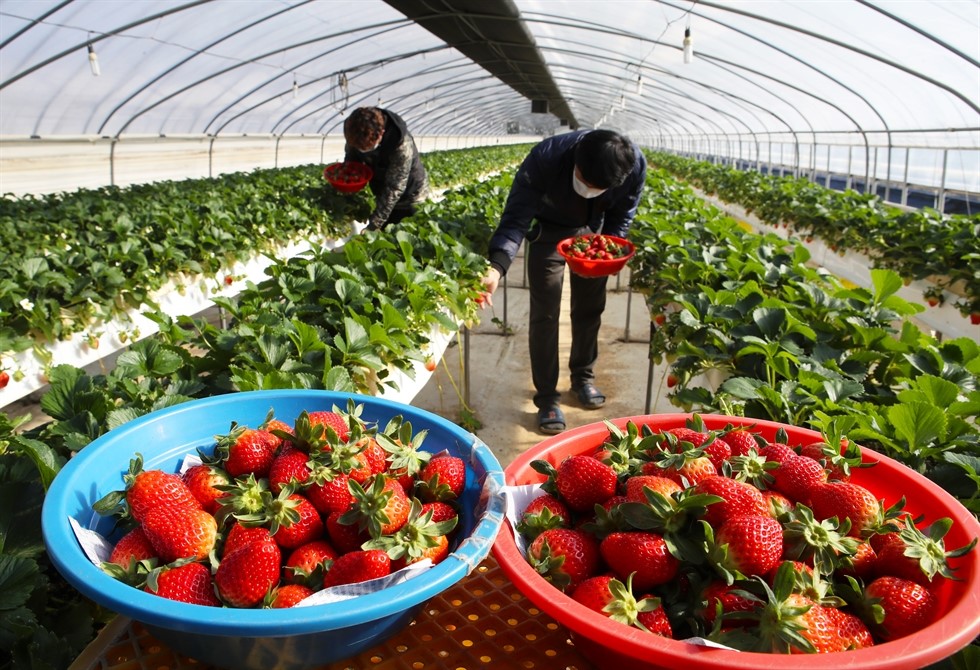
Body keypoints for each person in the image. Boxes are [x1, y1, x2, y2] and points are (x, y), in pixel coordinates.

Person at [479, 129, 646, 435]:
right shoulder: (547, 157)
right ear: (576, 159)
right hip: (548, 231)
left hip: (593, 236)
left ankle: (583, 378)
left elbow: (621, 216)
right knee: (545, 313)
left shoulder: (633, 166)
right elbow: (516, 218)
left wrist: (609, 247)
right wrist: (497, 267)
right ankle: (546, 399)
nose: (589, 189)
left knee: (589, 309)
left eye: (600, 187)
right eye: (585, 180)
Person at [343, 106, 429, 231]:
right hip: (382, 185)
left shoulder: (400, 144)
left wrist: (374, 224)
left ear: (381, 134)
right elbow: (351, 159)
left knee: (402, 233)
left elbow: (394, 187)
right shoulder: (353, 129)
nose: (363, 152)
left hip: (411, 194)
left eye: (369, 148)